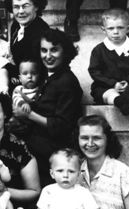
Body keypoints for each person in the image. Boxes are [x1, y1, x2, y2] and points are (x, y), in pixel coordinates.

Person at [10, 28, 83, 183]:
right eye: (44, 50)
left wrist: (28, 115)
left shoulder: (67, 82)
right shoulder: (47, 77)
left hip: (49, 152)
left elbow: (62, 126)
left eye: (54, 50)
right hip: (35, 143)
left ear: (65, 52)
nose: (48, 56)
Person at [5, 0, 53, 71]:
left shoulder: (42, 32)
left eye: (25, 6)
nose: (20, 11)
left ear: (36, 6)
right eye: (16, 7)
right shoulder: (16, 24)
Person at [9, 58, 42, 135]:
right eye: (25, 73)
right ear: (20, 78)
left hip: (34, 120)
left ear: (38, 76)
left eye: (33, 73)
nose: (29, 76)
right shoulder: (19, 89)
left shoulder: (40, 89)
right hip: (20, 119)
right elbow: (16, 98)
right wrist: (23, 103)